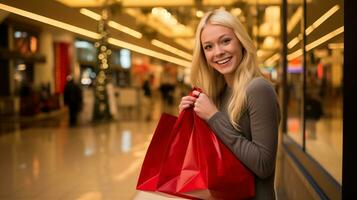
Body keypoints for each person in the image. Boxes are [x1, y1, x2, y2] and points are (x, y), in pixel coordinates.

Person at [179, 9, 281, 200]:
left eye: (225, 41)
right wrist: (191, 120)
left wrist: (214, 117)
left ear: (241, 41)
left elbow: (263, 165)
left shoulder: (258, 89)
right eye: (208, 47)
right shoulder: (220, 92)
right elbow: (212, 154)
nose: (218, 52)